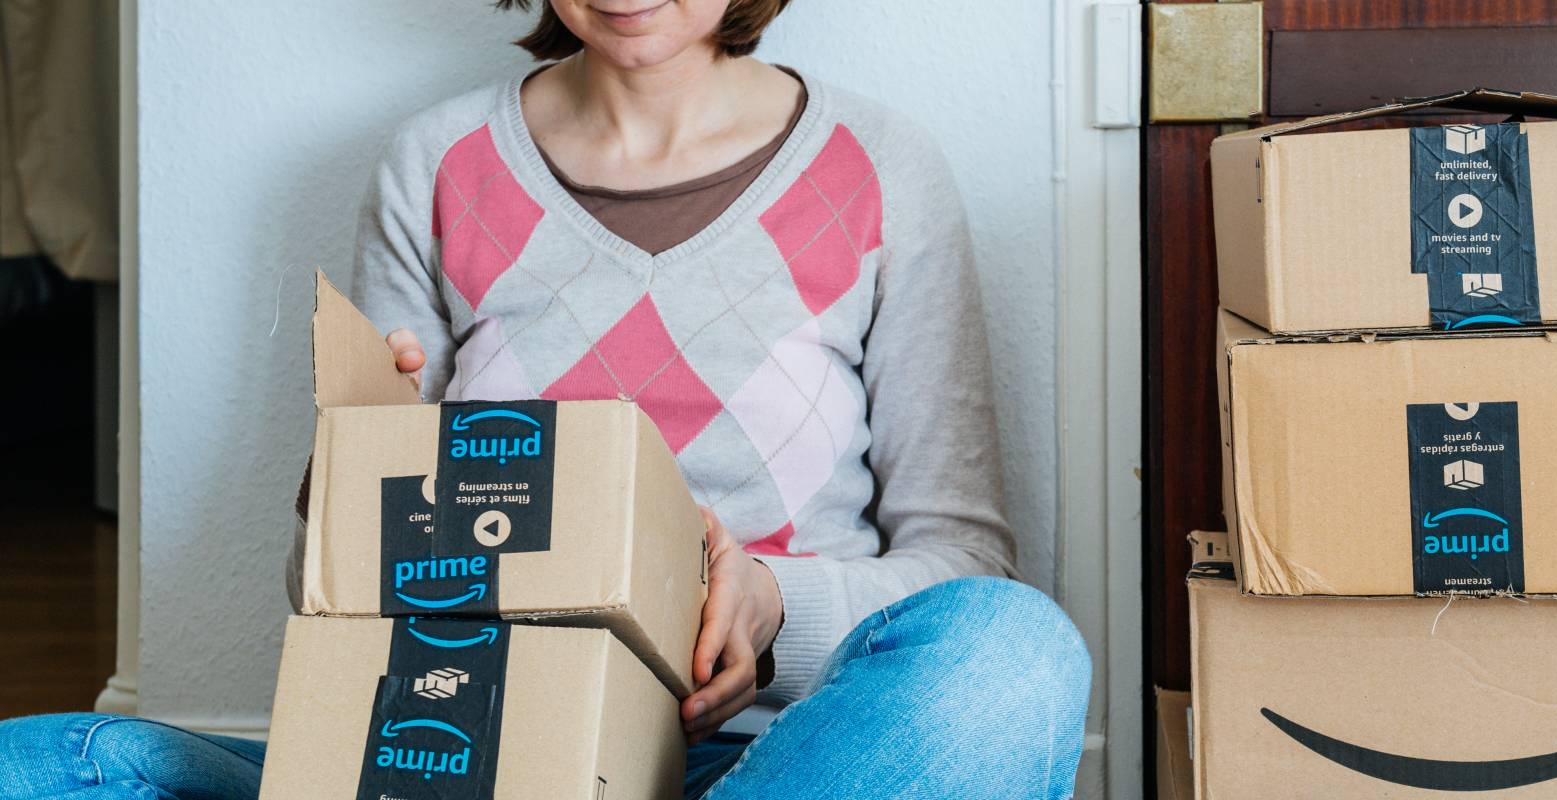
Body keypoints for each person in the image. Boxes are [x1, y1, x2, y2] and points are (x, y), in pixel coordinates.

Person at [0, 1, 1090, 797]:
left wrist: (769, 605)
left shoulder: (879, 167)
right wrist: (353, 485)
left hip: (776, 759)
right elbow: (327, 597)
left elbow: (960, 565)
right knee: (45, 765)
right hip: (466, 749)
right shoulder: (438, 163)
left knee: (1015, 651)